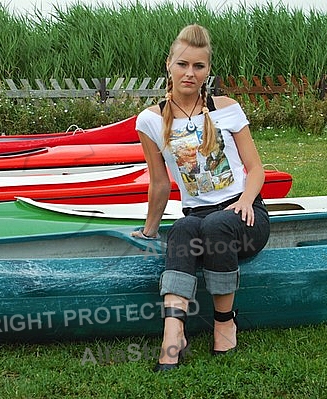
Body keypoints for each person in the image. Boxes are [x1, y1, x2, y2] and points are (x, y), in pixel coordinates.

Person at [132, 24, 270, 371]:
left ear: (208, 70)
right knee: (182, 229)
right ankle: (173, 334)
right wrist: (149, 232)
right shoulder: (150, 121)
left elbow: (256, 170)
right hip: (198, 215)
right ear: (169, 64)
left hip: (243, 215)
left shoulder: (226, 107)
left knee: (218, 226)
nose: (189, 73)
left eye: (199, 66)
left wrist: (244, 201)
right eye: (183, 64)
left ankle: (224, 321)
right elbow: (160, 184)